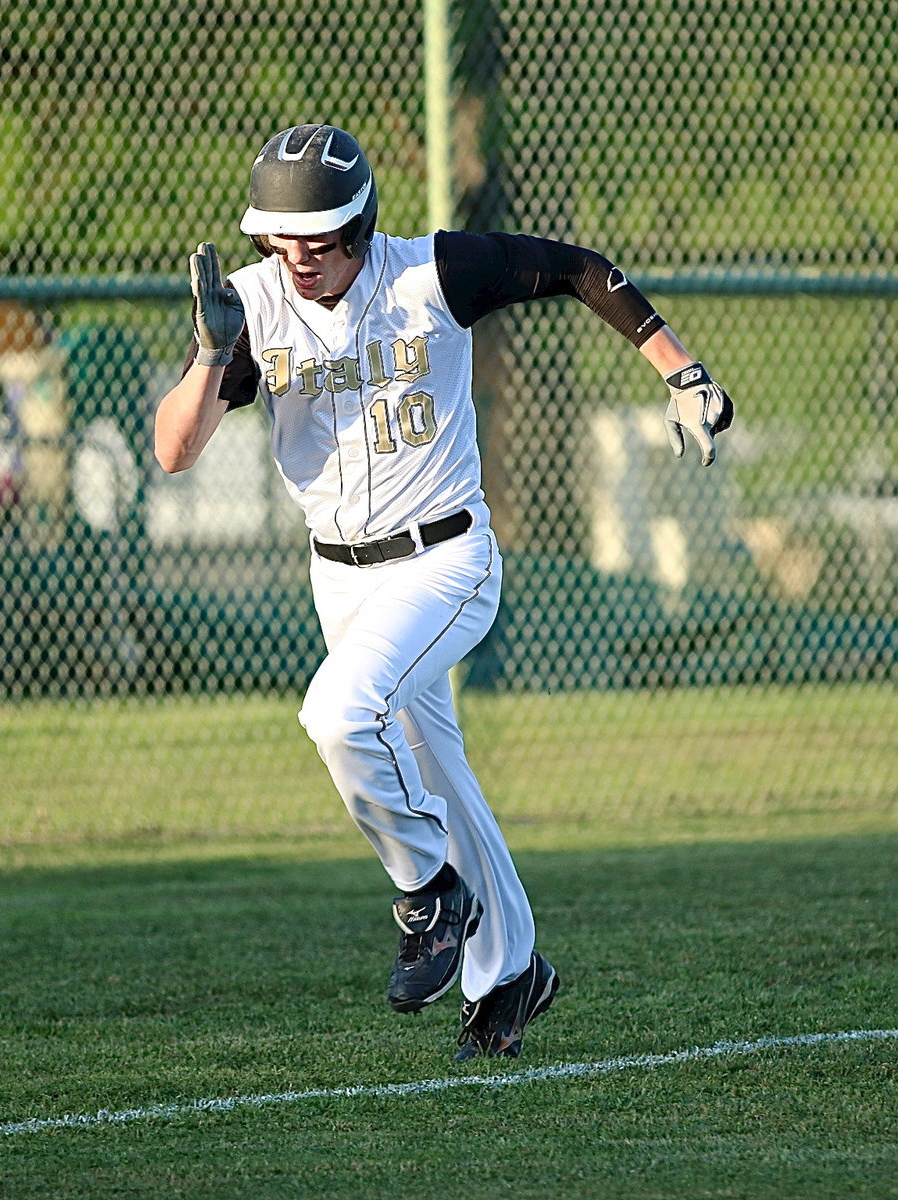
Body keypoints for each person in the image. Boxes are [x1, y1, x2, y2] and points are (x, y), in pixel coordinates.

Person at [154, 123, 733, 1061]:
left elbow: (577, 266)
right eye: (280, 238)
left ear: (361, 224)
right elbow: (174, 454)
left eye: (319, 236)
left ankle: (428, 896)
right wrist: (212, 355)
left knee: (340, 716)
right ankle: (511, 975)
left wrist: (683, 370)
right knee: (439, 775)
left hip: (444, 563)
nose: (297, 257)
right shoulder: (249, 308)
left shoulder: (433, 274)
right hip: (337, 575)